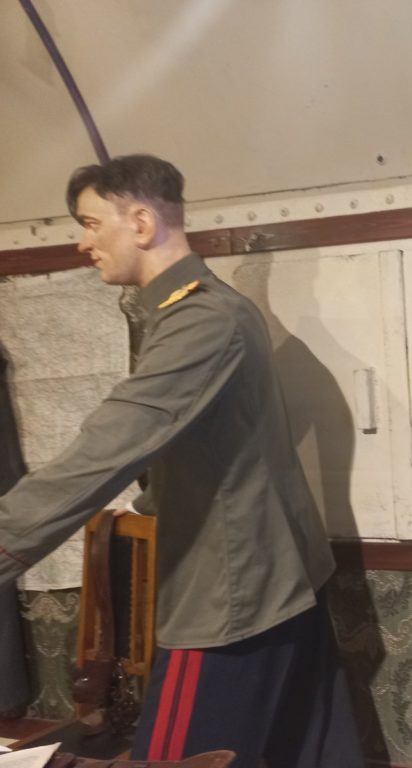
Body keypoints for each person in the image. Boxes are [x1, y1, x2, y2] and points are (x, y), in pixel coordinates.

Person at [0, 154, 363, 768]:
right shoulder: (212, 308)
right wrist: (151, 500)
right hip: (278, 580)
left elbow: (107, 447)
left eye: (90, 223)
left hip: (230, 596)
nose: (83, 243)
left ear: (141, 223)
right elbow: (228, 448)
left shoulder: (200, 320)